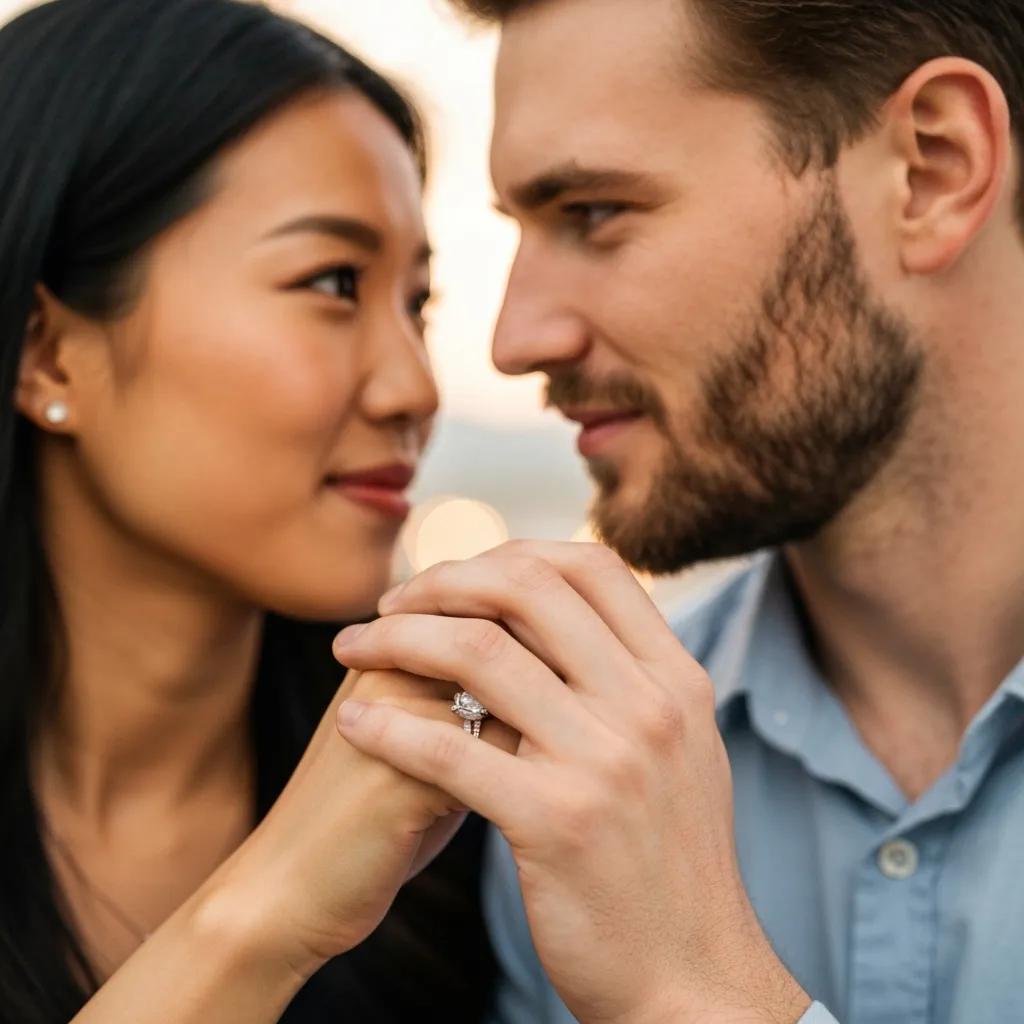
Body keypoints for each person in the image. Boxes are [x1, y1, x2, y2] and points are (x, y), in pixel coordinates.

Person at [331, 1, 1024, 1022]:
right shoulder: (577, 789)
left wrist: (690, 994)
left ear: (931, 166)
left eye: (594, 213)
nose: (516, 338)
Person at [0, 1, 517, 1020]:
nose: (413, 388)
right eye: (331, 282)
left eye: (416, 305)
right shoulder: (343, 856)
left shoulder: (455, 840)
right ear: (50, 351)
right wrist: (265, 913)